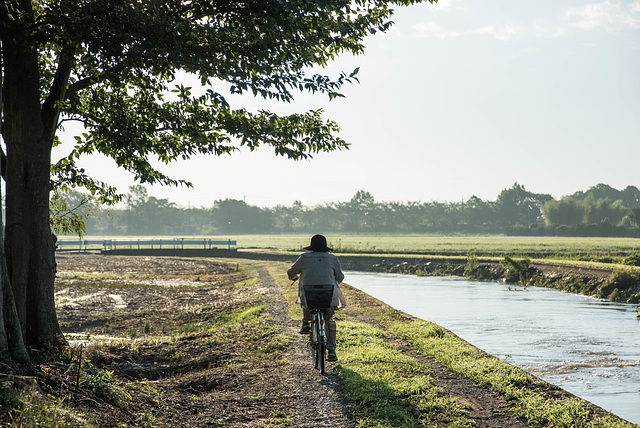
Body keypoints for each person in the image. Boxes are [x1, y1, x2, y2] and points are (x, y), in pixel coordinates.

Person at [287, 234, 346, 362]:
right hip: (328, 295)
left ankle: (305, 322)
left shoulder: (304, 257)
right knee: (329, 319)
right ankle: (331, 349)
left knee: (306, 296)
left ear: (311, 247)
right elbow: (340, 277)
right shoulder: (332, 258)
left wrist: (295, 278)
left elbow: (291, 272)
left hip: (309, 294)